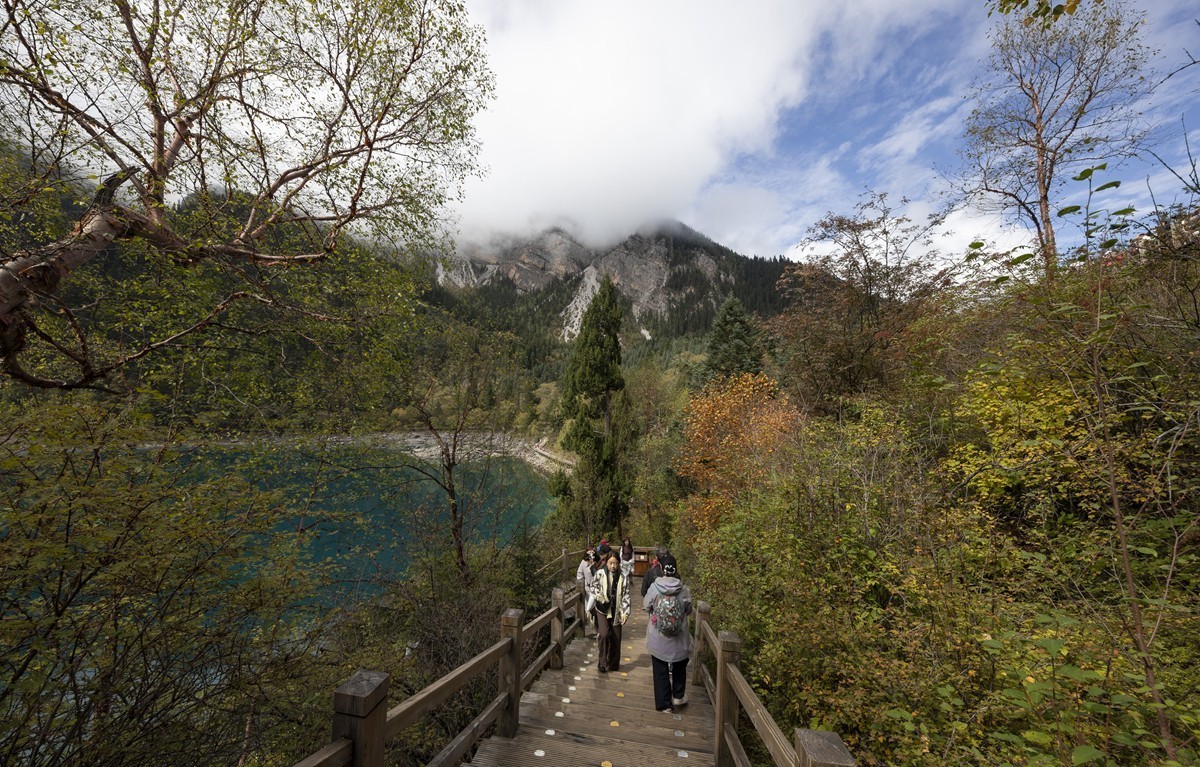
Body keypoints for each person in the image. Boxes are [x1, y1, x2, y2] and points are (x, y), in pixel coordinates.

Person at [643, 554, 693, 713]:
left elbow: (646, 606)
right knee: (679, 665)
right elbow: (689, 610)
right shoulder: (684, 590)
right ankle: (678, 696)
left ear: (661, 569)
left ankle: (664, 705)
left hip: (658, 637)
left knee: (660, 669)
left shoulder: (654, 587)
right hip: (679, 638)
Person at [590, 551, 630, 673]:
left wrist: (625, 612)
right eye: (610, 563)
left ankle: (613, 663)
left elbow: (626, 596)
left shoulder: (623, 577)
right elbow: (593, 586)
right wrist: (600, 596)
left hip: (617, 610)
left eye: (616, 563)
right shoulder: (600, 573)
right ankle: (602, 662)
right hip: (602, 609)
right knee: (604, 634)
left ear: (619, 564)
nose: (613, 566)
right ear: (606, 562)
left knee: (616, 637)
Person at [575, 549, 597, 636]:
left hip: (597, 589)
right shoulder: (583, 563)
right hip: (587, 589)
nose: (591, 553)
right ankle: (592, 628)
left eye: (593, 552)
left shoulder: (597, 561)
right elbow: (579, 574)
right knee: (588, 610)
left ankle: (597, 629)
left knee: (596, 609)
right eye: (589, 552)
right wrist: (582, 584)